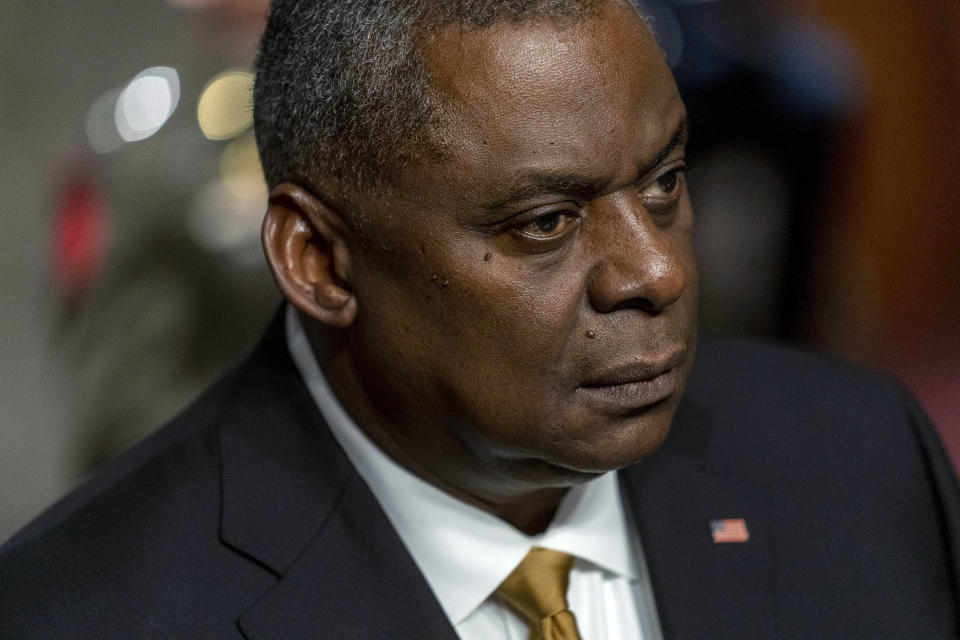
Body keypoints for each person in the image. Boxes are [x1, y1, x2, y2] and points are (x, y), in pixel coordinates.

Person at [1, 1, 957, 638]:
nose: (658, 270)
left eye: (665, 182)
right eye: (546, 223)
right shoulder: (85, 611)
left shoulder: (862, 462)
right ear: (321, 260)